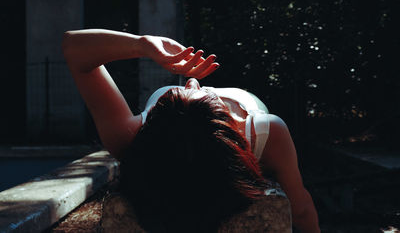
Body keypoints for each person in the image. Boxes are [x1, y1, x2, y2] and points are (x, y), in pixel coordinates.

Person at [62, 29, 320, 232]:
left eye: (181, 92)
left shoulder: (129, 137)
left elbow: (74, 47)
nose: (193, 81)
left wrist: (143, 44)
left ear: (153, 123)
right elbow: (301, 210)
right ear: (227, 128)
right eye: (197, 92)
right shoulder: (267, 132)